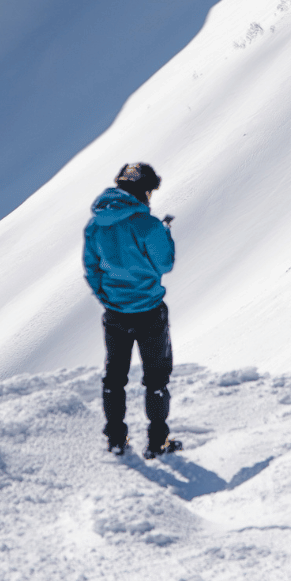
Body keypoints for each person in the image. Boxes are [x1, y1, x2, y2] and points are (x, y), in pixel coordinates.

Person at [82, 161, 182, 458]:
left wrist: (108, 298)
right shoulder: (148, 225)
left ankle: (116, 439)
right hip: (149, 309)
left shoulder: (95, 224)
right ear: (145, 191)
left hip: (114, 312)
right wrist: (164, 233)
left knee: (114, 377)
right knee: (156, 378)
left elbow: (92, 268)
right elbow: (165, 264)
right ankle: (157, 441)